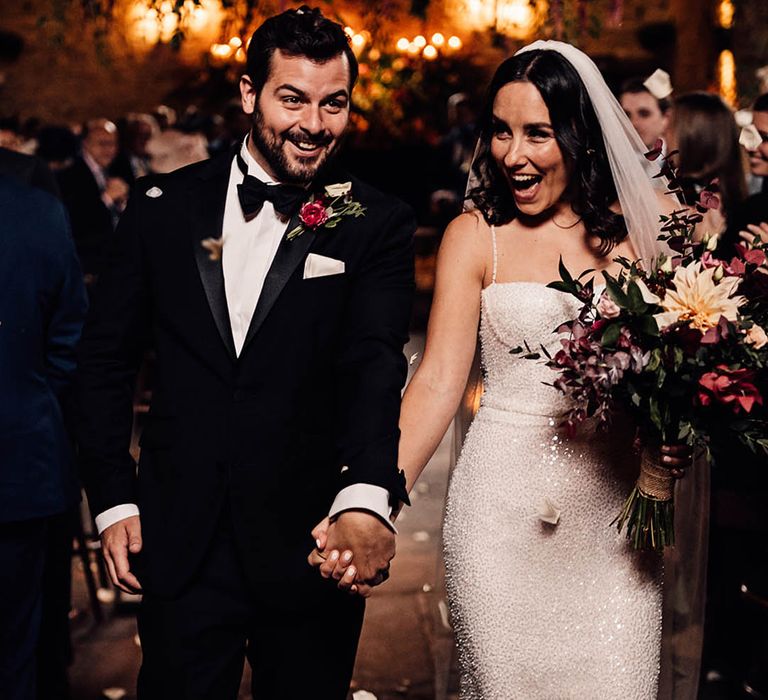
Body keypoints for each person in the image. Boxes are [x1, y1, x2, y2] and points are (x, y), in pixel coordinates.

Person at [312, 41, 696, 697]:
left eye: (537, 134)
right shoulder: (475, 235)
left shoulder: (646, 233)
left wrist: (676, 428)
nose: (511, 155)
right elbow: (435, 383)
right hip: (500, 523)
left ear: (579, 136)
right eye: (500, 130)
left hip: (615, 534)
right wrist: (374, 503)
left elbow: (686, 367)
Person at [75, 6, 414, 699]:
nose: (314, 125)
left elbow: (375, 366)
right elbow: (105, 363)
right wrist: (113, 501)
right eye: (293, 98)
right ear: (249, 93)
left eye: (333, 104)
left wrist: (364, 496)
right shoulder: (161, 206)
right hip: (180, 536)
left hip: (311, 541)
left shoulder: (370, 219)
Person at [0, 175, 88, 700]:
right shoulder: (37, 210)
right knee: (15, 653)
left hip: (19, 466)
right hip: (17, 459)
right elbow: (68, 342)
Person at [664, 92, 746, 243]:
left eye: (671, 127)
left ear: (693, 136)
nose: (664, 133)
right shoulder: (731, 194)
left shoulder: (691, 201)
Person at [57, 119, 129, 283]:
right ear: (85, 144)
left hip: (110, 261)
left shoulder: (114, 169)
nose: (109, 150)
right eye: (102, 144)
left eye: (113, 144)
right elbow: (75, 221)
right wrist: (107, 198)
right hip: (87, 266)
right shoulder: (70, 175)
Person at [619, 76, 670, 150]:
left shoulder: (682, 158)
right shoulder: (609, 158)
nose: (634, 123)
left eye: (644, 114)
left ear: (665, 119)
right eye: (626, 115)